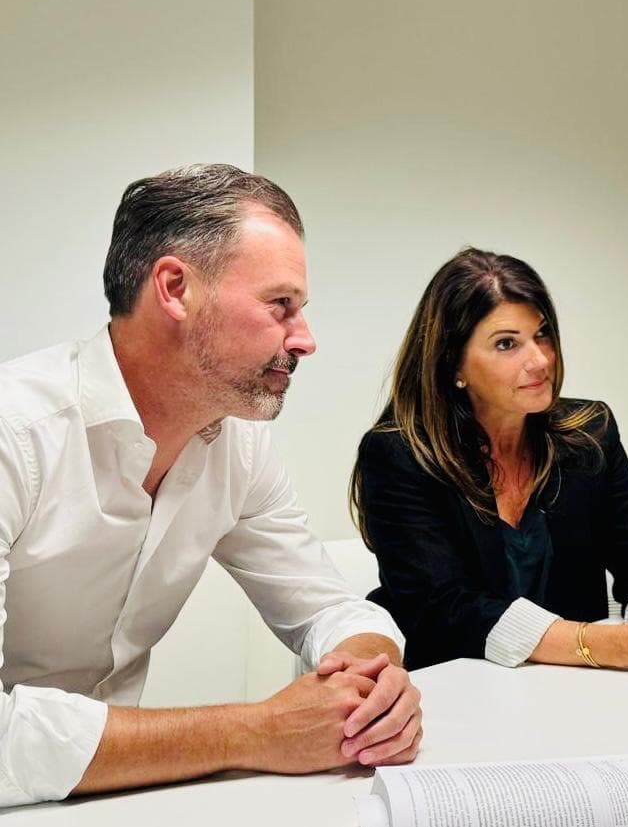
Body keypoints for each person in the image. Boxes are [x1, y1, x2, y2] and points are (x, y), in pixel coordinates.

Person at [0, 165, 422, 807]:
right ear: (175, 289)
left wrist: (369, 679)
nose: (305, 339)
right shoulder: (14, 433)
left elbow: (328, 607)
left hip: (109, 801)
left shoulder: (237, 444)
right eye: (280, 305)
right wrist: (254, 733)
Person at [350, 248, 628, 676]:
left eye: (542, 335)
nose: (540, 360)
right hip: (455, 687)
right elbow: (445, 610)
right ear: (453, 364)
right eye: (507, 344)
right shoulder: (399, 454)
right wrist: (621, 646)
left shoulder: (589, 435)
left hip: (571, 689)